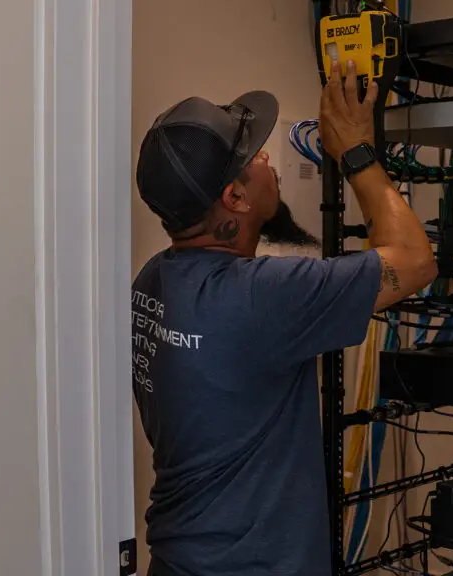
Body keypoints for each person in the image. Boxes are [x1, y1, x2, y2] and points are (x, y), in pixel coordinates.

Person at [131, 59, 436, 576]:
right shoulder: (263, 296)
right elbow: (415, 261)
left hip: (178, 559)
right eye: (252, 156)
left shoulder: (152, 281)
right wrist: (357, 152)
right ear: (234, 197)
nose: (268, 157)